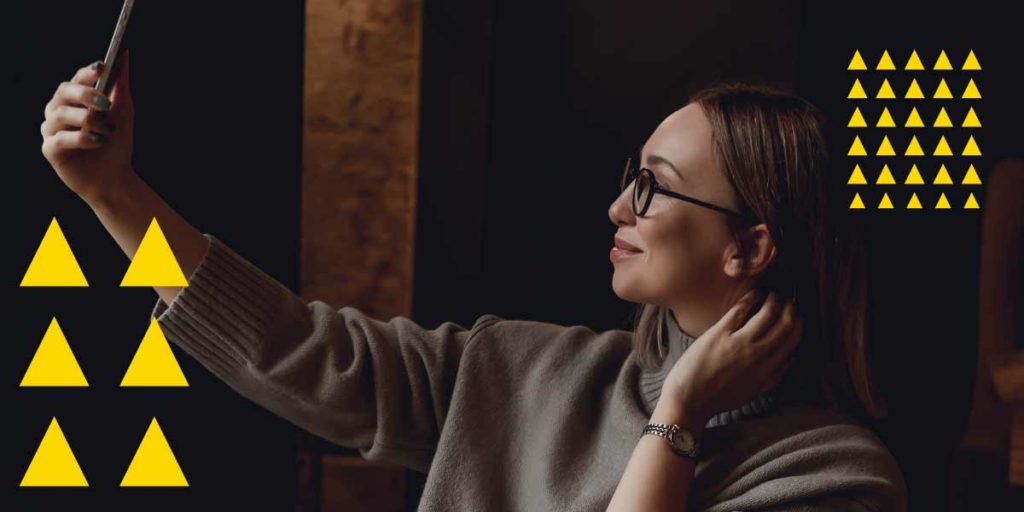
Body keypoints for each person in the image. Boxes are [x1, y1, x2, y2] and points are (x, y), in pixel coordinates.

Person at [40, 52, 907, 511]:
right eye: (625, 176)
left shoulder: (831, 480)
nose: (616, 208)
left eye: (652, 185)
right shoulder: (523, 374)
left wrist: (675, 417)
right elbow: (288, 349)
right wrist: (114, 193)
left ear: (748, 246)